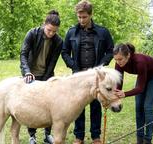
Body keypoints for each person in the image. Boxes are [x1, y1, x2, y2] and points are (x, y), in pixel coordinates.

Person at [61, 1, 114, 143]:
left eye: (84, 17)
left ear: (90, 15)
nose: (81, 20)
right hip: (78, 77)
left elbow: (110, 51)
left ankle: (96, 136)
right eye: (79, 17)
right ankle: (79, 136)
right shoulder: (71, 32)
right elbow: (65, 52)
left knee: (96, 106)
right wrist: (74, 67)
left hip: (97, 77)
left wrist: (100, 67)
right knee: (78, 107)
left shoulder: (103, 32)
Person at [20, 10, 63, 144]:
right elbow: (23, 54)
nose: (51, 34)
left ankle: (47, 134)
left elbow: (52, 63)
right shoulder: (32, 33)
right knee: (32, 105)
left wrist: (46, 80)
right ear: (44, 24)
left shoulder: (58, 41)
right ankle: (32, 136)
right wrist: (27, 72)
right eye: (49, 30)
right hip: (30, 75)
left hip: (47, 75)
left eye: (54, 32)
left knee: (50, 106)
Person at [113, 43, 153, 144]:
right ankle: (139, 140)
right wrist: (115, 97)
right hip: (143, 76)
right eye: (116, 59)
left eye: (120, 59)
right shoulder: (118, 64)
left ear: (128, 55)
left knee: (148, 108)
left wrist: (125, 94)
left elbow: (140, 88)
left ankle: (147, 140)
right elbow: (119, 83)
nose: (118, 62)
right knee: (138, 108)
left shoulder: (139, 62)